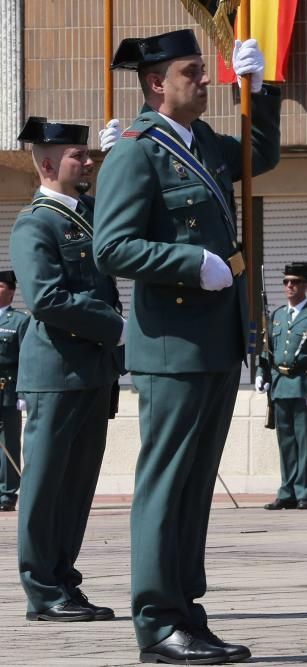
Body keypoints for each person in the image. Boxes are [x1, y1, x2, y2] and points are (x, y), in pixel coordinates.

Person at [93, 29, 279, 663]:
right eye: (194, 72)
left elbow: (259, 157)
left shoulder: (201, 142)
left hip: (217, 338)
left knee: (195, 486)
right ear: (156, 84)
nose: (206, 80)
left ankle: (185, 612)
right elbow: (111, 247)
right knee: (167, 484)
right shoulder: (136, 153)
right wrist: (188, 261)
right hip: (173, 342)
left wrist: (262, 90)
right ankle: (155, 618)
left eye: (207, 71)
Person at [13, 117, 123, 622]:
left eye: (88, 153)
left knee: (77, 486)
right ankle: (42, 589)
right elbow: (46, 297)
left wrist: (123, 160)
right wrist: (116, 327)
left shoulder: (89, 214)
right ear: (48, 163)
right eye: (79, 154)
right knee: (44, 488)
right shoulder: (35, 223)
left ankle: (64, 579)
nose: (88, 161)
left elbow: (130, 225)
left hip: (92, 372)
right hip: (55, 372)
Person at [256, 262, 307, 511]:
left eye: (296, 282)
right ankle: (286, 490)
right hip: (280, 386)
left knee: (305, 441)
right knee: (286, 442)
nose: (290, 286)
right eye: (287, 282)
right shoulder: (276, 315)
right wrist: (261, 373)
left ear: (306, 285)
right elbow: (268, 351)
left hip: (304, 385)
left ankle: (303, 492)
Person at [0, 270, 29, 513]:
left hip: (7, 390)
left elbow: (27, 359)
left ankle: (7, 494)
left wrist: (23, 394)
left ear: (11, 291)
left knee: (8, 442)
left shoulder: (19, 321)